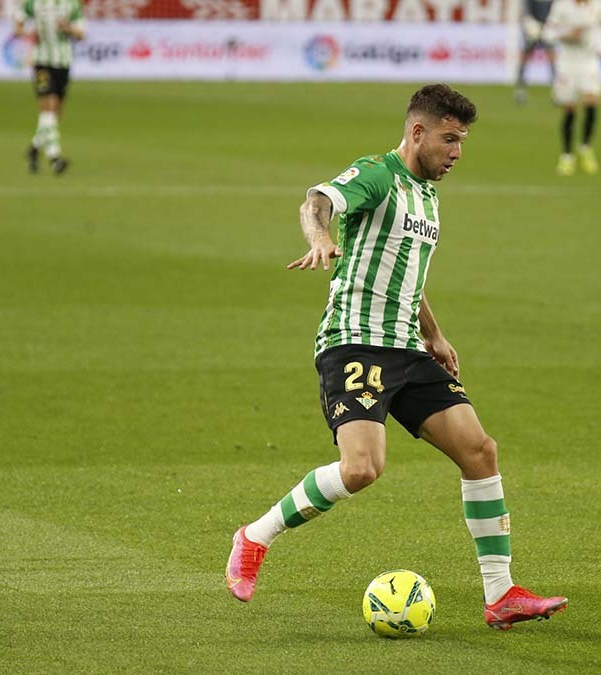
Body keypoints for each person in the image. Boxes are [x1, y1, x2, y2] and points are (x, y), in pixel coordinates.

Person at [224, 84, 569, 631]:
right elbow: (316, 201)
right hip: (355, 342)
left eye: (462, 142)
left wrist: (434, 333)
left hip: (407, 346)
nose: (457, 152)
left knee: (480, 451)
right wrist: (319, 236)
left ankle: (501, 595)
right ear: (417, 132)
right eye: (450, 139)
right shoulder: (378, 175)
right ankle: (254, 537)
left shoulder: (428, 195)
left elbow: (405, 274)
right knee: (362, 469)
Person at [13, 0, 85, 176]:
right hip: (42, 62)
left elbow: (81, 34)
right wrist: (29, 33)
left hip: (63, 62)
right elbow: (17, 27)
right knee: (49, 105)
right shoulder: (34, 4)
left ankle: (35, 147)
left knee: (56, 112)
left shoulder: (72, 5)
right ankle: (55, 158)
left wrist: (67, 28)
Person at [544, 0, 601, 176]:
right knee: (569, 108)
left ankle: (585, 147)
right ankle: (567, 156)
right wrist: (567, 34)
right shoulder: (562, 5)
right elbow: (548, 32)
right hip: (567, 62)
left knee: (592, 102)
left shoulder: (598, 4)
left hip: (589, 60)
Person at [513, 0, 557, 105]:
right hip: (532, 27)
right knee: (525, 57)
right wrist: (530, 23)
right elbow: (526, 10)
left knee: (551, 57)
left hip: (547, 27)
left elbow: (555, 10)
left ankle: (557, 91)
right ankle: (520, 89)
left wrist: (550, 24)